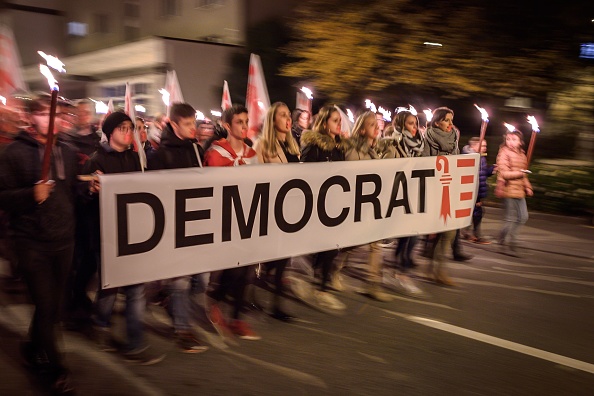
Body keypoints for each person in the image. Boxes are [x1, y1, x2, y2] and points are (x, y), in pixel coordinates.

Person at [0, 94, 81, 393]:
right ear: (31, 117)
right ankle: (55, 368)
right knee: (46, 305)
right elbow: (3, 196)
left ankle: (32, 347)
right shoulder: (14, 153)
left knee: (53, 307)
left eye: (58, 114)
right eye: (46, 114)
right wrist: (28, 195)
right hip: (31, 242)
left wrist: (92, 187)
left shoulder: (69, 152)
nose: (54, 119)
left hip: (64, 240)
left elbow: (71, 192)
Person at [84, 111, 165, 365]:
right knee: (109, 288)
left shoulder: (134, 158)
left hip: (131, 236)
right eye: (122, 128)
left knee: (136, 289)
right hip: (106, 236)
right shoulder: (96, 160)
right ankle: (100, 324)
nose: (128, 131)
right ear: (109, 133)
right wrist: (91, 190)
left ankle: (135, 343)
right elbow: (83, 198)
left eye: (130, 127)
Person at [147, 103, 209, 353]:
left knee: (202, 280)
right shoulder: (161, 155)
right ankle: (182, 330)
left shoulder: (195, 149)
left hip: (196, 221)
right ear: (174, 124)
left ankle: (169, 297)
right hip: (173, 225)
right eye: (188, 124)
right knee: (182, 280)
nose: (194, 128)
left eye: (194, 123)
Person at [204, 104, 260, 340]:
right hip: (225, 218)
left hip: (247, 217)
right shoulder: (215, 153)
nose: (245, 126)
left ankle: (237, 318)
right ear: (227, 125)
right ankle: (213, 302)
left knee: (247, 271)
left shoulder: (252, 155)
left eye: (246, 121)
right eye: (239, 122)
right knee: (233, 270)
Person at [253, 102, 300, 321]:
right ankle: (274, 302)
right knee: (278, 256)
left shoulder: (293, 146)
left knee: (284, 257)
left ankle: (269, 292)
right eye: (282, 115)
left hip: (291, 207)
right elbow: (256, 180)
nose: (288, 119)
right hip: (272, 208)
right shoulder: (262, 145)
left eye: (289, 114)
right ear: (273, 121)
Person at [300, 104, 349, 310]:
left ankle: (321, 285)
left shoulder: (340, 147)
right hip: (317, 204)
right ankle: (320, 286)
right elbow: (305, 176)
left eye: (340, 121)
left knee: (332, 246)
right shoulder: (314, 146)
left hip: (335, 203)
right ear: (324, 122)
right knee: (325, 247)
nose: (339, 124)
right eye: (335, 120)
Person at [344, 111, 392, 302]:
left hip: (370, 204)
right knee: (351, 243)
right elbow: (349, 178)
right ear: (362, 129)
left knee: (375, 243)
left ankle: (373, 284)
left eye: (376, 124)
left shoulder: (374, 150)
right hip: (356, 205)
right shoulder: (354, 150)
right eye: (372, 124)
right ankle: (332, 269)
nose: (377, 127)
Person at [382, 110, 425, 296]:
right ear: (400, 125)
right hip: (397, 194)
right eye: (410, 123)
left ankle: (399, 272)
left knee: (412, 236)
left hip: (413, 191)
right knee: (407, 235)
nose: (414, 127)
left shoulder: (419, 144)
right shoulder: (392, 142)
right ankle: (401, 273)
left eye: (415, 123)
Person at [422, 107, 460, 286]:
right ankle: (437, 270)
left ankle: (436, 269)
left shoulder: (454, 139)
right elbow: (424, 164)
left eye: (451, 120)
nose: (450, 124)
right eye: (446, 120)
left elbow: (459, 161)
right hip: (434, 190)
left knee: (448, 231)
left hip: (449, 189)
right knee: (445, 231)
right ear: (437, 122)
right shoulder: (428, 137)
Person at [496, 129, 533, 257]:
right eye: (508, 139)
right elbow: (504, 173)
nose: (510, 142)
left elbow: (524, 174)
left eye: (514, 139)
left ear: (520, 142)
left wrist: (528, 187)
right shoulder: (503, 153)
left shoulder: (523, 155)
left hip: (519, 191)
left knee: (523, 217)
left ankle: (503, 237)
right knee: (510, 219)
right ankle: (510, 243)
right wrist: (520, 174)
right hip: (508, 189)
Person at [462, 137, 495, 244]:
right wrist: (477, 197)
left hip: (477, 192)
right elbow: (472, 178)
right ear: (473, 146)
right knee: (475, 212)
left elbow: (482, 174)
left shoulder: (481, 158)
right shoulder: (470, 158)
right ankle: (473, 234)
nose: (485, 148)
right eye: (483, 145)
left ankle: (467, 232)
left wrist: (491, 170)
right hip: (471, 192)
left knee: (475, 213)